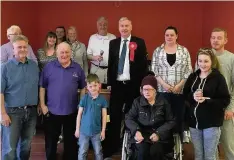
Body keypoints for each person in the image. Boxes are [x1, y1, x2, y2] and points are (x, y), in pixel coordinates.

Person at [104, 17, 148, 158]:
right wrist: (110, 83)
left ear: (131, 26)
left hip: (133, 87)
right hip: (117, 86)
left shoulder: (139, 42)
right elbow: (111, 64)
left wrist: (142, 85)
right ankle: (111, 147)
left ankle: (131, 147)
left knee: (132, 117)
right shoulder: (113, 43)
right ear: (118, 28)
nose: (124, 28)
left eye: (126, 26)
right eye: (122, 26)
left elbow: (143, 66)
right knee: (114, 117)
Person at [39, 42, 86, 160]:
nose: (64, 55)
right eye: (62, 52)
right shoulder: (49, 67)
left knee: (71, 142)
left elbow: (83, 88)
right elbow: (42, 87)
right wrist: (43, 105)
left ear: (71, 53)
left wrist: (82, 105)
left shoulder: (77, 68)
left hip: (71, 111)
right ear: (56, 53)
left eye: (67, 52)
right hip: (52, 111)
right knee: (51, 141)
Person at [183, 48, 230, 160]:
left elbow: (225, 99)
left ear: (212, 62)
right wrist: (192, 97)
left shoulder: (218, 78)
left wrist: (207, 100)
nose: (202, 64)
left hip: (211, 124)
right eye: (200, 61)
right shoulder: (193, 77)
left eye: (206, 61)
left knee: (210, 156)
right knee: (199, 155)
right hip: (194, 124)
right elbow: (185, 95)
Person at [151, 26, 192, 141]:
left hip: (179, 92)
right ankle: (165, 145)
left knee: (178, 117)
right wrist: (164, 84)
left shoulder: (184, 51)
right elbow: (154, 70)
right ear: (164, 36)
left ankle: (178, 146)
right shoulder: (158, 51)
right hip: (162, 91)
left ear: (177, 36)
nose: (169, 37)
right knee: (163, 118)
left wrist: (179, 85)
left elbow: (189, 70)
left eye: (172, 35)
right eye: (167, 35)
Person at [1, 35, 39, 160]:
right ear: (13, 49)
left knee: (26, 146)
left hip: (31, 112)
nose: (22, 49)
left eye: (25, 46)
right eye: (19, 47)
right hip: (12, 113)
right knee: (10, 148)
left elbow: (37, 87)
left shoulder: (34, 66)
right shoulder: (5, 67)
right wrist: (2, 114)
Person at [125, 75, 176, 160]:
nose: (147, 92)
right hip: (142, 134)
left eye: (150, 89)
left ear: (155, 90)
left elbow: (171, 121)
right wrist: (136, 131)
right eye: (144, 89)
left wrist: (159, 133)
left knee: (156, 151)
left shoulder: (163, 102)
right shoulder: (137, 102)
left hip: (160, 136)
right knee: (142, 151)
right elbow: (129, 118)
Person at [210, 28, 234, 160]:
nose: (215, 40)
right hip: (208, 109)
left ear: (225, 40)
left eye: (219, 38)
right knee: (211, 147)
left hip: (225, 109)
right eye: (213, 37)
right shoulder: (204, 57)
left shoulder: (231, 58)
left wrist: (231, 108)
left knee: (229, 145)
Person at [75, 73, 108, 160]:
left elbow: (104, 116)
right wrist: (77, 129)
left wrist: (103, 131)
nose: (93, 88)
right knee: (82, 152)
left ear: (99, 85)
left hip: (97, 132)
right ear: (87, 87)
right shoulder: (84, 98)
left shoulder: (102, 100)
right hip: (83, 132)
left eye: (95, 85)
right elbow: (79, 115)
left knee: (98, 152)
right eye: (90, 86)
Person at [87, 16, 116, 86]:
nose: (102, 27)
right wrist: (95, 58)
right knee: (95, 91)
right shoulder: (92, 38)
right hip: (95, 70)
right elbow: (87, 56)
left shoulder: (113, 37)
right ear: (97, 25)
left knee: (109, 92)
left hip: (109, 71)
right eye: (100, 24)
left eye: (105, 24)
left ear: (107, 25)